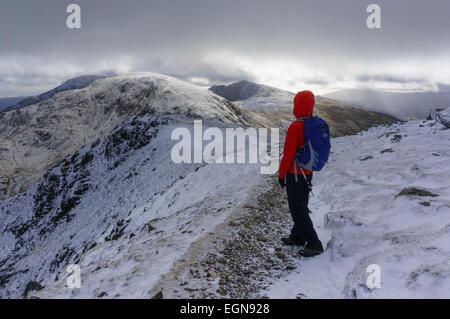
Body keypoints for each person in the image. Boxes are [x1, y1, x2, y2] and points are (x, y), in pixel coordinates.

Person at [278, 90, 324, 257]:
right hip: (307, 172)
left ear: (297, 106)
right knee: (302, 206)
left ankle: (314, 243)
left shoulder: (296, 126)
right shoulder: (313, 124)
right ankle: (297, 237)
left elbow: (288, 154)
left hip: (295, 174)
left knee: (297, 209)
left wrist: (282, 175)